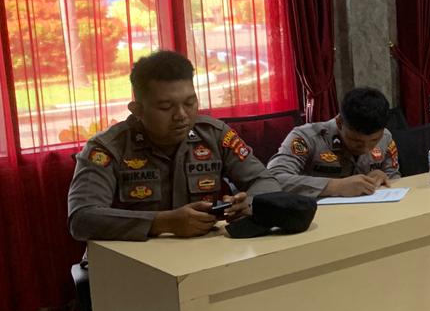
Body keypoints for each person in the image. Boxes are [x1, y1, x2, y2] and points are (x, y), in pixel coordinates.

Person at [67, 50, 281, 241]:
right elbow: (82, 218)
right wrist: (161, 222)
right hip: (132, 263)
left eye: (189, 103)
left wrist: (249, 203)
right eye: (165, 107)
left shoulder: (214, 135)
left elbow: (265, 181)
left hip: (203, 256)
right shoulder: (107, 148)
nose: (181, 115)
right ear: (137, 110)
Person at [268, 87, 401, 198]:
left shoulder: (385, 137)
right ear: (339, 123)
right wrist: (334, 186)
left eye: (374, 141)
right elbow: (273, 179)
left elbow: (396, 180)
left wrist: (382, 178)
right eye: (356, 141)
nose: (366, 149)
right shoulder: (307, 137)